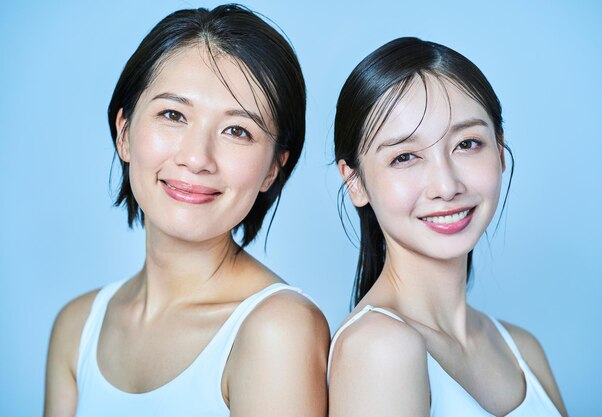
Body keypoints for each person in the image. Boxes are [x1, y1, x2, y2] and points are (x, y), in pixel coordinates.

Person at [44, 5, 329, 417]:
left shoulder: (278, 329)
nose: (197, 158)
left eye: (237, 130)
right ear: (124, 133)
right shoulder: (77, 327)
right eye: (173, 115)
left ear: (273, 168)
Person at [328, 37, 567, 417]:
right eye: (405, 156)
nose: (447, 186)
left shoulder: (523, 351)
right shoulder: (379, 348)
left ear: (500, 150)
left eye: (468, 144)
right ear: (355, 181)